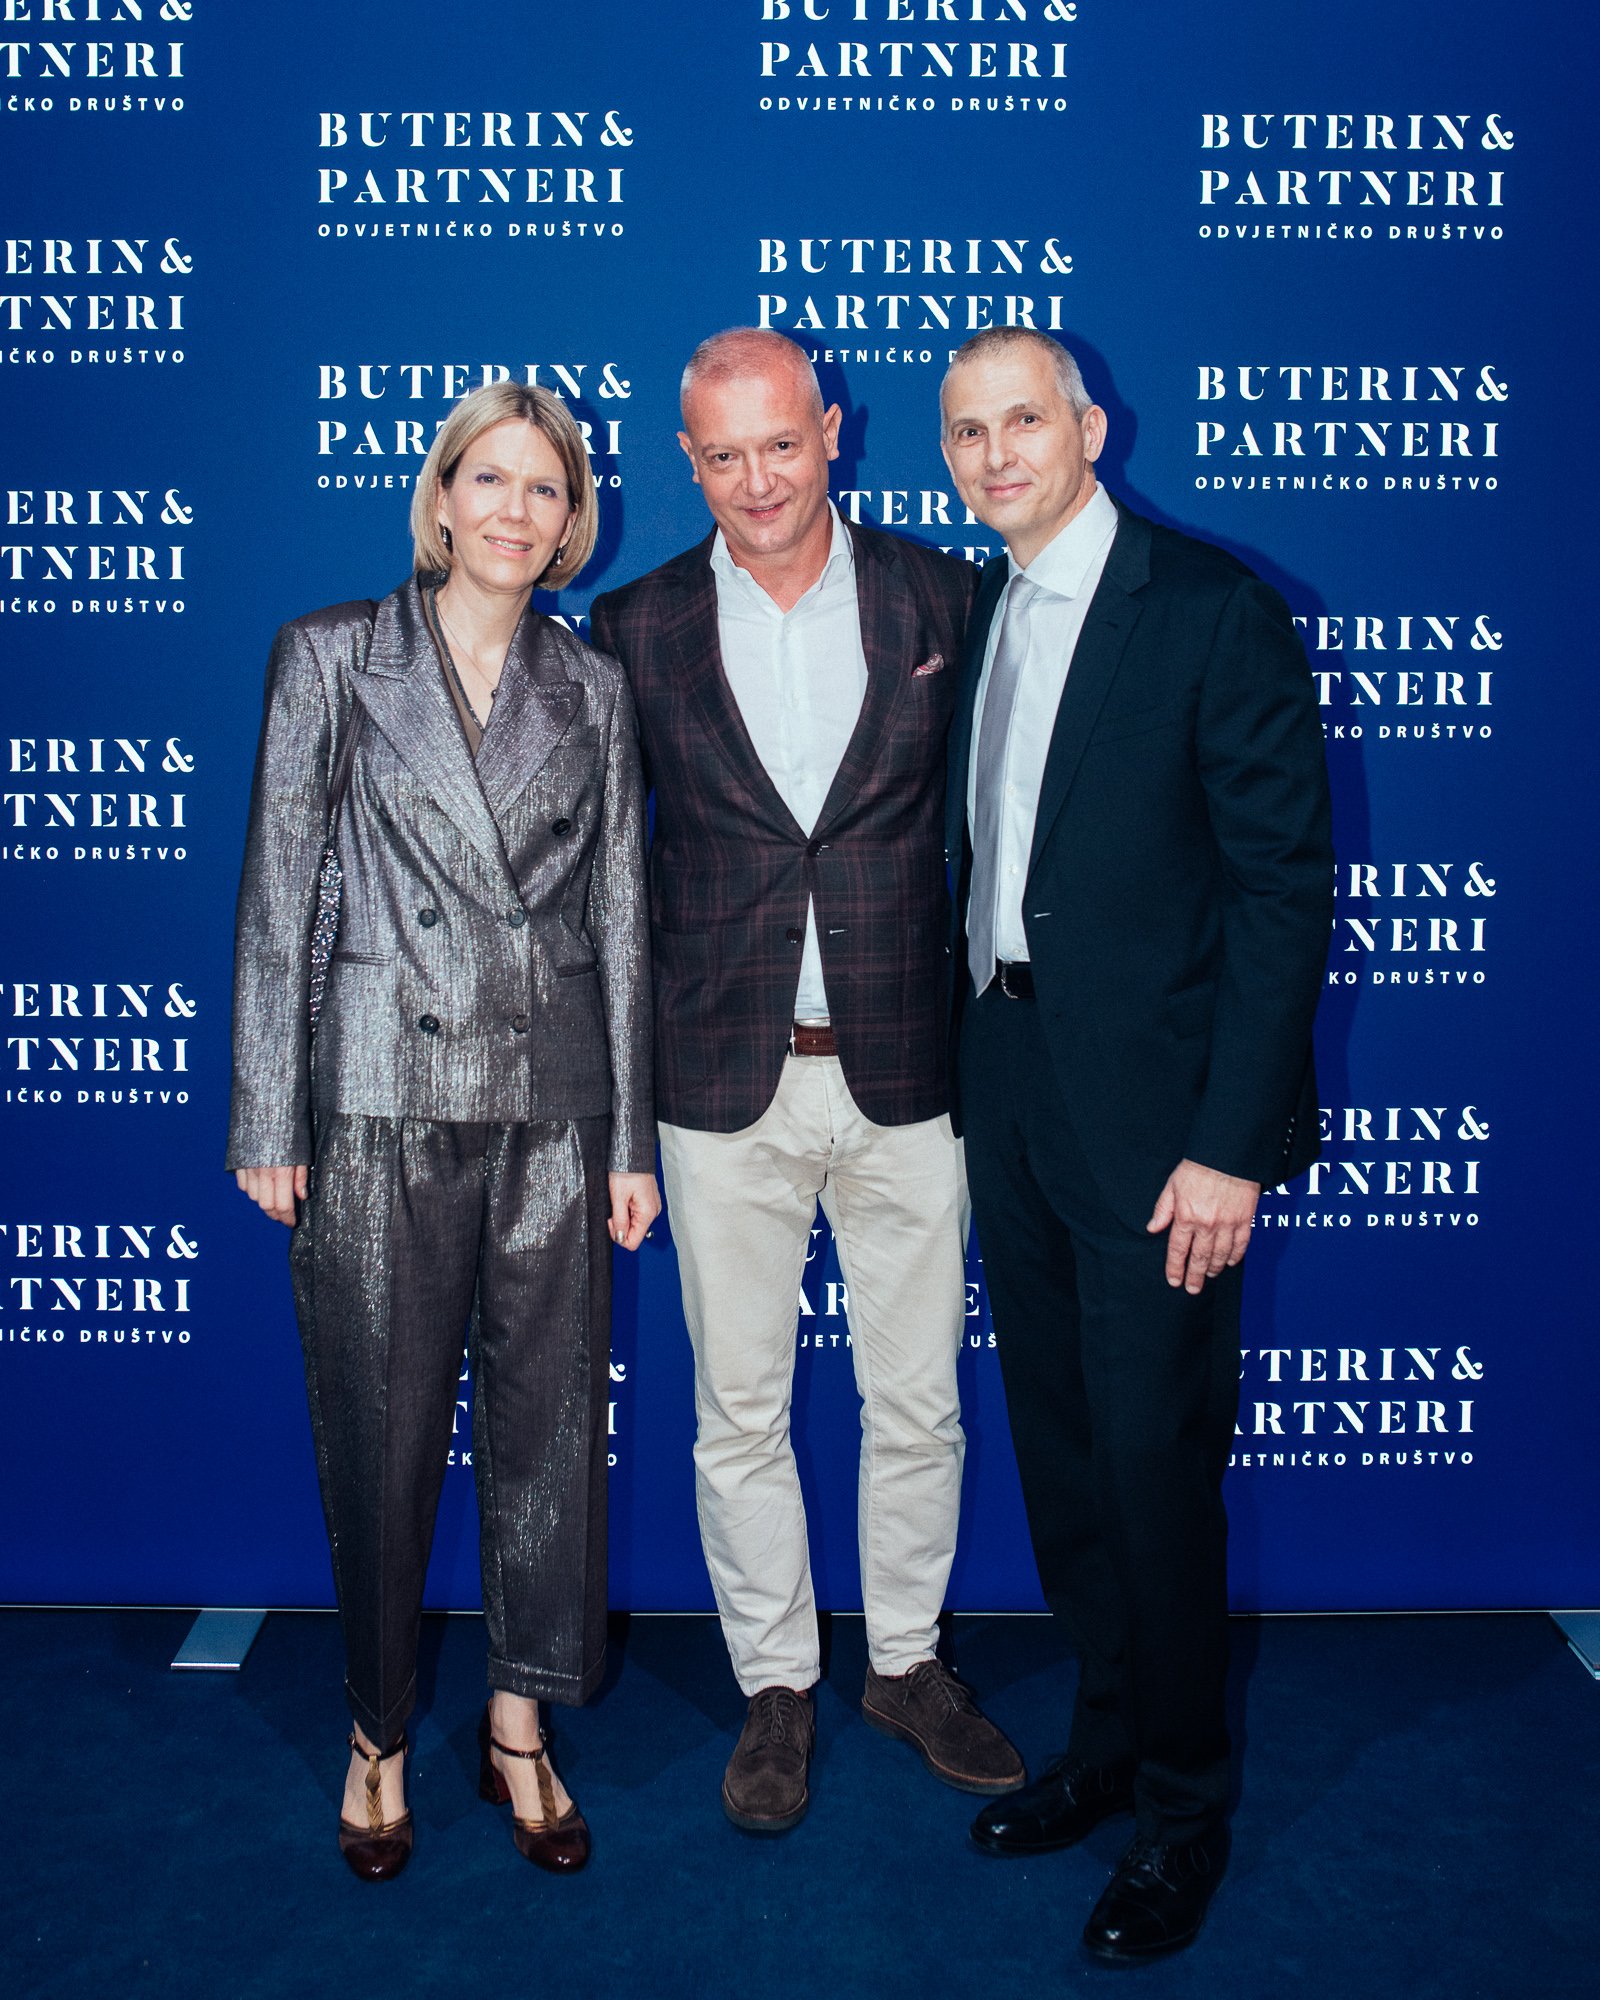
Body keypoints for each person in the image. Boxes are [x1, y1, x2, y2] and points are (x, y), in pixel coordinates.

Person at [589, 328, 1022, 1833]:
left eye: (783, 443)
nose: (758, 481)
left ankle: (905, 1664)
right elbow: (604, 887)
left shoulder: (945, 597)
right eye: (724, 454)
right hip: (718, 1082)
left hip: (915, 1070)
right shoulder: (630, 627)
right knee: (737, 1408)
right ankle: (774, 1683)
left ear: (832, 431)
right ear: (686, 463)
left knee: (919, 1403)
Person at [228, 380, 659, 1882]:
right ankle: (378, 1732)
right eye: (490, 480)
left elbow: (618, 915)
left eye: (544, 490)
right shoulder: (333, 656)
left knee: (550, 1439)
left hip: (552, 1104)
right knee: (381, 1431)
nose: (514, 512)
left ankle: (521, 1726)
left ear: (573, 521)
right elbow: (284, 895)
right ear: (441, 496)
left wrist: (631, 1141)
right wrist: (267, 1110)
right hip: (371, 1099)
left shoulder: (593, 686)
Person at [938, 328, 1333, 1962]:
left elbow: (1280, 893)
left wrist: (1233, 1146)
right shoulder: (983, 611)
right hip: (1009, 1083)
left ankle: (1182, 1811)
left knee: (1158, 1471)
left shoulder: (1210, 607)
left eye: (1023, 419)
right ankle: (1105, 1747)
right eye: (967, 431)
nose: (994, 452)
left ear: (1089, 426)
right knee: (1066, 1455)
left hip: (1160, 1127)